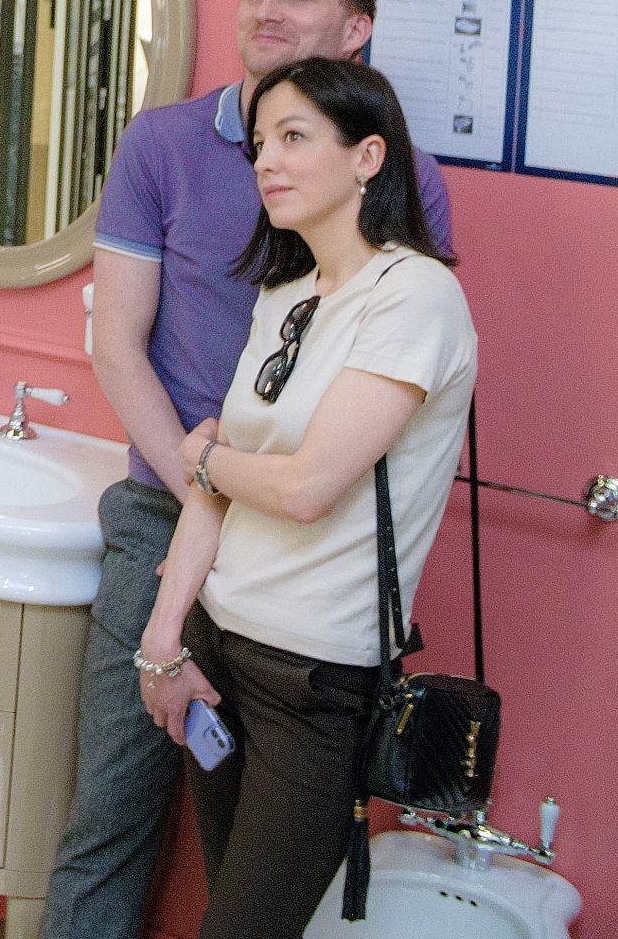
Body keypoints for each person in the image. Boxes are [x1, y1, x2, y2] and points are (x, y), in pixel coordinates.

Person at [42, 0, 453, 939]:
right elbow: (119, 348)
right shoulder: (181, 164)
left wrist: (222, 477)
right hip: (173, 525)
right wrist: (204, 503)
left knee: (253, 890)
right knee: (111, 808)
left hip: (305, 587)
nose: (267, 9)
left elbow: (337, 450)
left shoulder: (403, 220)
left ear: (355, 31)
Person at [132, 59, 476, 939]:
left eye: (293, 138)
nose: (267, 162)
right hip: (216, 648)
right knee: (228, 902)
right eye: (259, 144)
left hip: (312, 677)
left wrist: (209, 457)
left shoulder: (417, 296)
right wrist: (163, 642)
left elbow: (307, 487)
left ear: (368, 156)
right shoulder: (285, 293)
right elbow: (216, 489)